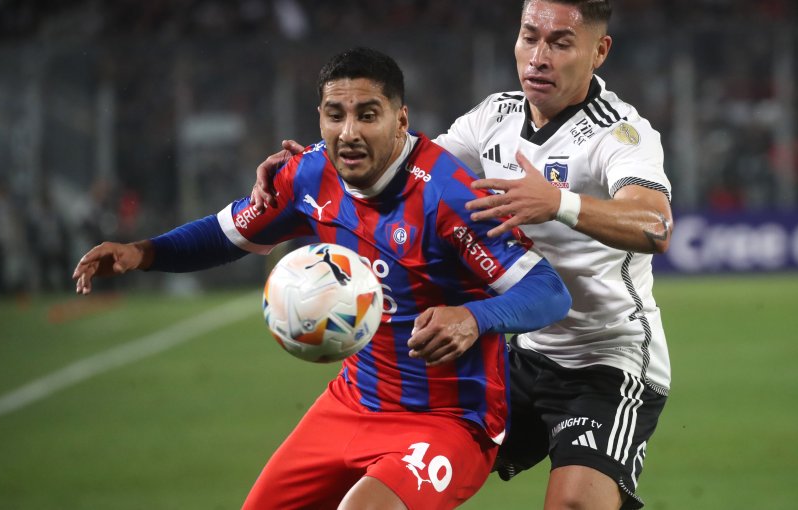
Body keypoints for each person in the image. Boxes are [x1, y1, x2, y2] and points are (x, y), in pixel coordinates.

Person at [72, 47, 571, 510]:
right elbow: (228, 234)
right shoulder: (310, 175)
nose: (348, 131)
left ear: (401, 120)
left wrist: (473, 317)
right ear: (320, 118)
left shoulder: (449, 197)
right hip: (354, 402)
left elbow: (548, 290)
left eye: (367, 115)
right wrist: (142, 253)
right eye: (336, 115)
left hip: (448, 422)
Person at [250, 2, 673, 509]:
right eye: (529, 37)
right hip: (522, 353)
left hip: (607, 359)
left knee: (576, 504)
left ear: (599, 51)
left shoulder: (621, 132)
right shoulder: (492, 116)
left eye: (560, 43)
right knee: (399, 469)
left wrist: (557, 202)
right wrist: (323, 165)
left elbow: (656, 224)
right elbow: (411, 171)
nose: (538, 57)